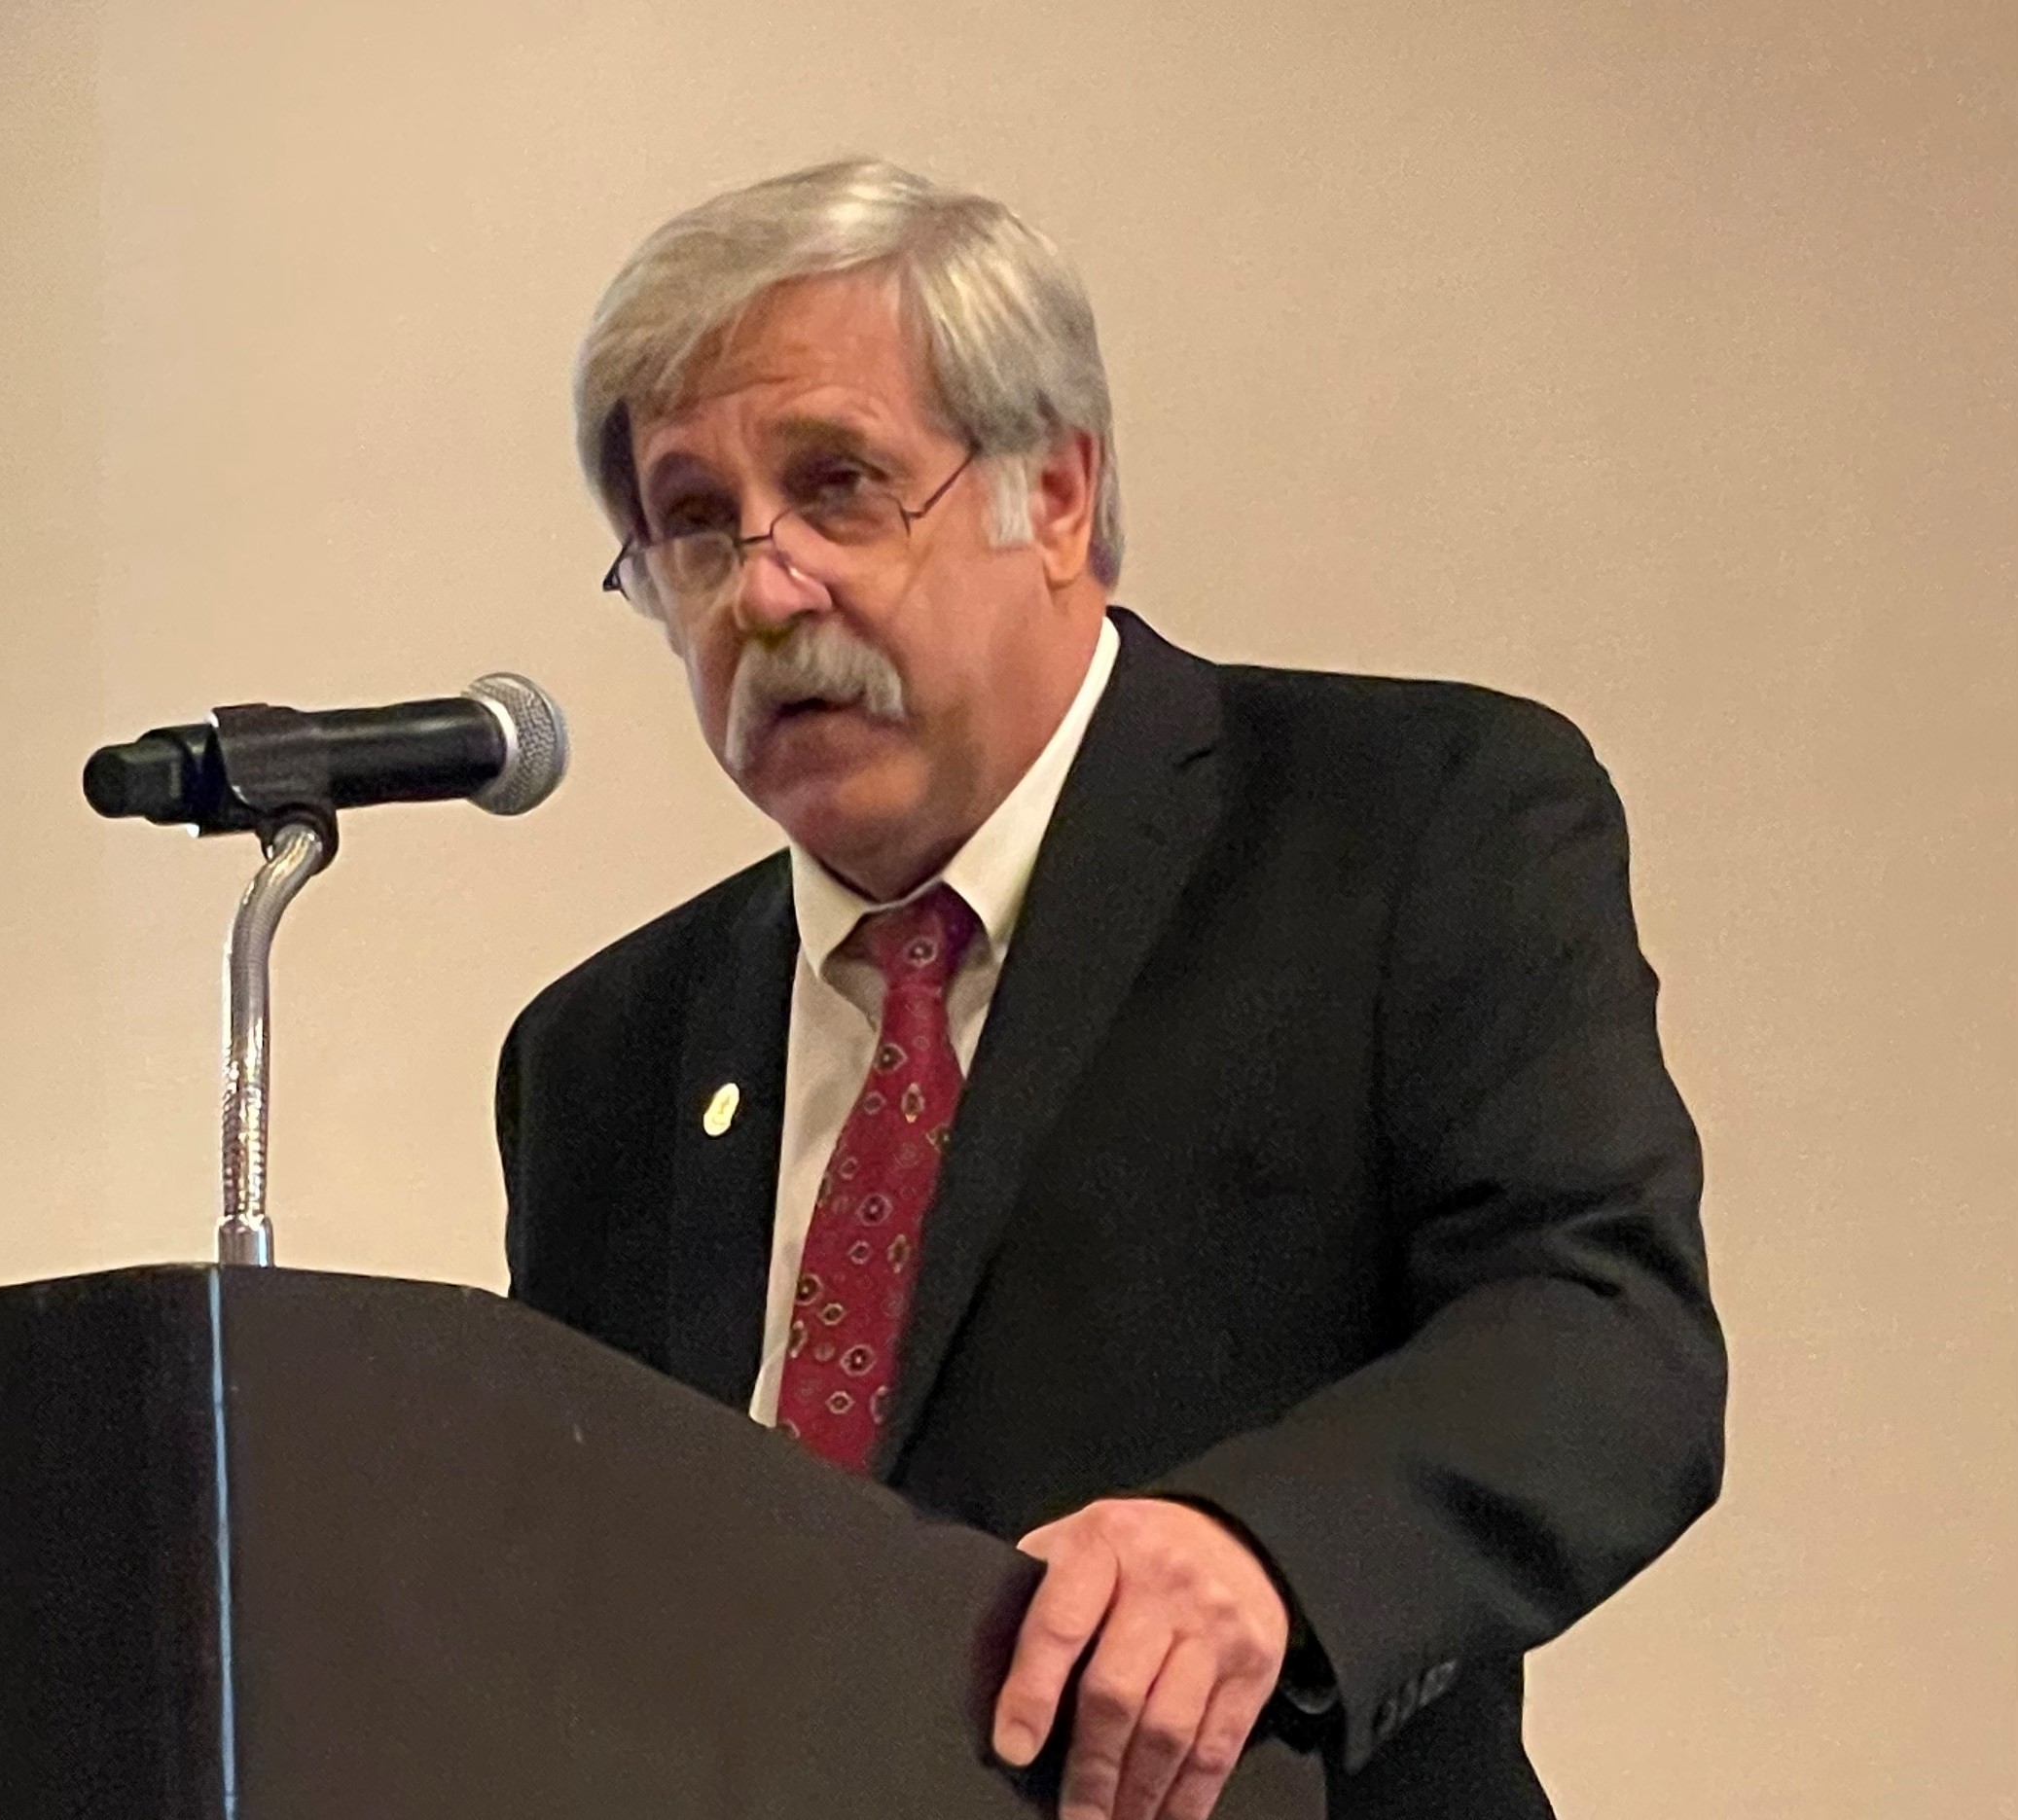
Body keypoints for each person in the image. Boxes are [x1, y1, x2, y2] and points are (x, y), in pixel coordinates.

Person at [496, 159, 1724, 1820]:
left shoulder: (1408, 821)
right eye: (694, 526)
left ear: (1056, 495)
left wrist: (1264, 1550)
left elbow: (1604, 1341)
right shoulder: (602, 1053)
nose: (763, 594)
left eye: (839, 485)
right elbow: (590, 1587)